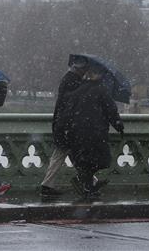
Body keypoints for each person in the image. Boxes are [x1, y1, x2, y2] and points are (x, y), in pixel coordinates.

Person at [41, 57, 103, 197]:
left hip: (63, 124)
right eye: (85, 69)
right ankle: (48, 185)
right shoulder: (73, 81)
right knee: (66, 154)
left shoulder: (69, 79)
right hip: (67, 125)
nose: (86, 71)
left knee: (71, 155)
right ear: (80, 69)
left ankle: (90, 181)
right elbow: (75, 102)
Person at [64, 67, 124, 200]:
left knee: (85, 160)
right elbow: (111, 111)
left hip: (78, 130)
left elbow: (69, 110)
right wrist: (118, 125)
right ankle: (88, 187)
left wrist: (68, 128)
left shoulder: (78, 90)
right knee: (99, 160)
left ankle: (88, 186)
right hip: (96, 130)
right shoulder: (102, 90)